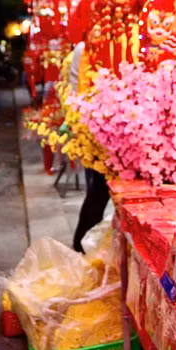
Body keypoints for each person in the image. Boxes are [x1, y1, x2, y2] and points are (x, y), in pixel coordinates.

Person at [68, 41, 111, 253]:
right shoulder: (85, 49)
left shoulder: (137, 38)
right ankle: (82, 245)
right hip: (98, 131)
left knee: (99, 191)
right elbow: (75, 90)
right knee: (99, 190)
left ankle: (84, 245)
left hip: (131, 131)